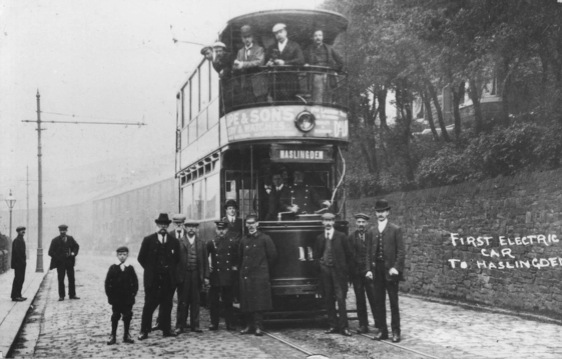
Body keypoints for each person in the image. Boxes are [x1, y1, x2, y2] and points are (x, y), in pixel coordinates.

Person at [365, 199, 406, 343]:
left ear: (387, 212)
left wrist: (396, 267)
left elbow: (401, 252)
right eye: (378, 211)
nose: (380, 214)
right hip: (377, 271)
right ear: (375, 213)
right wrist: (369, 269)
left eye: (383, 211)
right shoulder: (371, 231)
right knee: (379, 302)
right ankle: (382, 330)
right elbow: (368, 253)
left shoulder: (395, 229)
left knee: (393, 302)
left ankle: (396, 331)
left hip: (391, 271)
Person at [137, 213, 180, 340]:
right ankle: (144, 331)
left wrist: (168, 271)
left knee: (167, 305)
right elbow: (141, 258)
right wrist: (151, 270)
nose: (163, 227)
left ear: (168, 226)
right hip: (153, 280)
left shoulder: (174, 242)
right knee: (149, 305)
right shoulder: (148, 240)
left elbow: (176, 259)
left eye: (165, 225)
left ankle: (166, 329)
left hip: (168, 279)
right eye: (161, 224)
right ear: (157, 225)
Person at [314, 212, 353, 337]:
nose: (328, 223)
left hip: (338, 273)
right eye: (325, 220)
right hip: (325, 272)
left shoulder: (341, 237)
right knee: (328, 298)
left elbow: (349, 255)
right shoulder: (320, 238)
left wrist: (344, 271)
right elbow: (316, 255)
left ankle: (344, 327)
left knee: (341, 299)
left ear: (334, 222)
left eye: (330, 220)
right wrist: (320, 265)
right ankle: (332, 325)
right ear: (322, 222)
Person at [239, 214, 277, 336]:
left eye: (252, 223)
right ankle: (248, 325)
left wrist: (262, 269)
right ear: (246, 225)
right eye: (248, 223)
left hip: (259, 275)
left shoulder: (265, 239)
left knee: (258, 303)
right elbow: (240, 257)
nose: (250, 226)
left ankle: (258, 326)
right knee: (247, 302)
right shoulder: (244, 240)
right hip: (247, 275)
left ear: (257, 224)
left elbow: (273, 256)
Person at [175, 220, 209, 334]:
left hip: (196, 274)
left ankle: (195, 325)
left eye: (193, 227)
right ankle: (180, 325)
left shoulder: (201, 243)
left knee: (195, 300)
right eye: (189, 227)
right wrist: (177, 276)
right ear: (185, 228)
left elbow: (205, 261)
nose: (191, 229)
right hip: (183, 275)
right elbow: (176, 262)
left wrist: (206, 276)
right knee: (182, 301)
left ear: (196, 229)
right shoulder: (179, 242)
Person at [207, 220, 239, 331]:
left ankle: (229, 323)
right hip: (215, 276)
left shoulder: (232, 242)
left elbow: (236, 257)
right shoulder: (211, 242)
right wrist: (208, 267)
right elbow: (206, 257)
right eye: (219, 229)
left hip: (228, 276)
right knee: (214, 302)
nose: (221, 232)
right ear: (216, 230)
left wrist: (234, 270)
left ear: (227, 230)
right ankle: (214, 323)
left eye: (223, 229)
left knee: (228, 301)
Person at [104, 246, 138, 345]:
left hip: (127, 298)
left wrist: (133, 294)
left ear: (127, 255)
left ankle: (126, 335)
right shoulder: (113, 267)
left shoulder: (130, 268)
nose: (122, 257)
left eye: (124, 254)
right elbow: (107, 283)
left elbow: (135, 282)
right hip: (116, 298)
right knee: (115, 316)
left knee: (127, 316)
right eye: (120, 255)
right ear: (117, 255)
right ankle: (113, 335)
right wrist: (110, 295)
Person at [348, 213, 376, 334]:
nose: (361, 224)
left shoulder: (372, 236)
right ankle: (363, 324)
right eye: (359, 222)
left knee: (374, 298)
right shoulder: (351, 237)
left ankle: (379, 323)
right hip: (357, 274)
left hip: (369, 273)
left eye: (363, 222)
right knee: (360, 299)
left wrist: (372, 270)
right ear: (356, 223)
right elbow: (349, 255)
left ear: (367, 223)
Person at [265, 23, 304, 102]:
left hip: (290, 83)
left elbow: (301, 60)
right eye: (276, 33)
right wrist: (268, 63)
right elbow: (266, 61)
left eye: (280, 32)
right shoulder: (271, 47)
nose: (278, 35)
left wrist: (285, 63)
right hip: (276, 84)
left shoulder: (294, 45)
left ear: (286, 32)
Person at [304, 29, 344, 103]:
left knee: (328, 96)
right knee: (317, 97)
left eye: (320, 35)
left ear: (322, 37)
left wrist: (333, 70)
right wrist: (306, 64)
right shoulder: (309, 49)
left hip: (328, 75)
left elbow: (340, 62)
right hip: (315, 75)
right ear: (313, 38)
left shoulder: (329, 48)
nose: (318, 37)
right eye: (316, 36)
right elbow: (303, 60)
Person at [232, 25, 268, 106]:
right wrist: (235, 65)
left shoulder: (259, 49)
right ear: (242, 39)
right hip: (245, 86)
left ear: (252, 37)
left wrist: (242, 64)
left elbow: (259, 62)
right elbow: (236, 66)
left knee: (260, 107)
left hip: (258, 86)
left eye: (248, 36)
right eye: (244, 37)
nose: (247, 39)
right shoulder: (240, 52)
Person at [48, 224, 80, 301]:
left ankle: (72, 294)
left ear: (66, 231)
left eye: (64, 230)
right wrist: (58, 257)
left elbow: (76, 246)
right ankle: (61, 296)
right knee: (61, 279)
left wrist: (73, 253)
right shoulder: (55, 240)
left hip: (69, 262)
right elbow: (50, 252)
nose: (63, 232)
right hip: (60, 263)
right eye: (61, 230)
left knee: (71, 278)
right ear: (59, 231)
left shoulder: (70, 238)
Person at [11, 226, 27, 301]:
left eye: (24, 230)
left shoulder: (21, 239)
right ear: (18, 232)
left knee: (21, 279)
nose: (23, 231)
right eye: (21, 230)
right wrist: (22, 262)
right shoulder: (17, 240)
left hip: (21, 263)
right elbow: (17, 253)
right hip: (18, 264)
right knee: (18, 279)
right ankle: (15, 296)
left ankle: (18, 295)